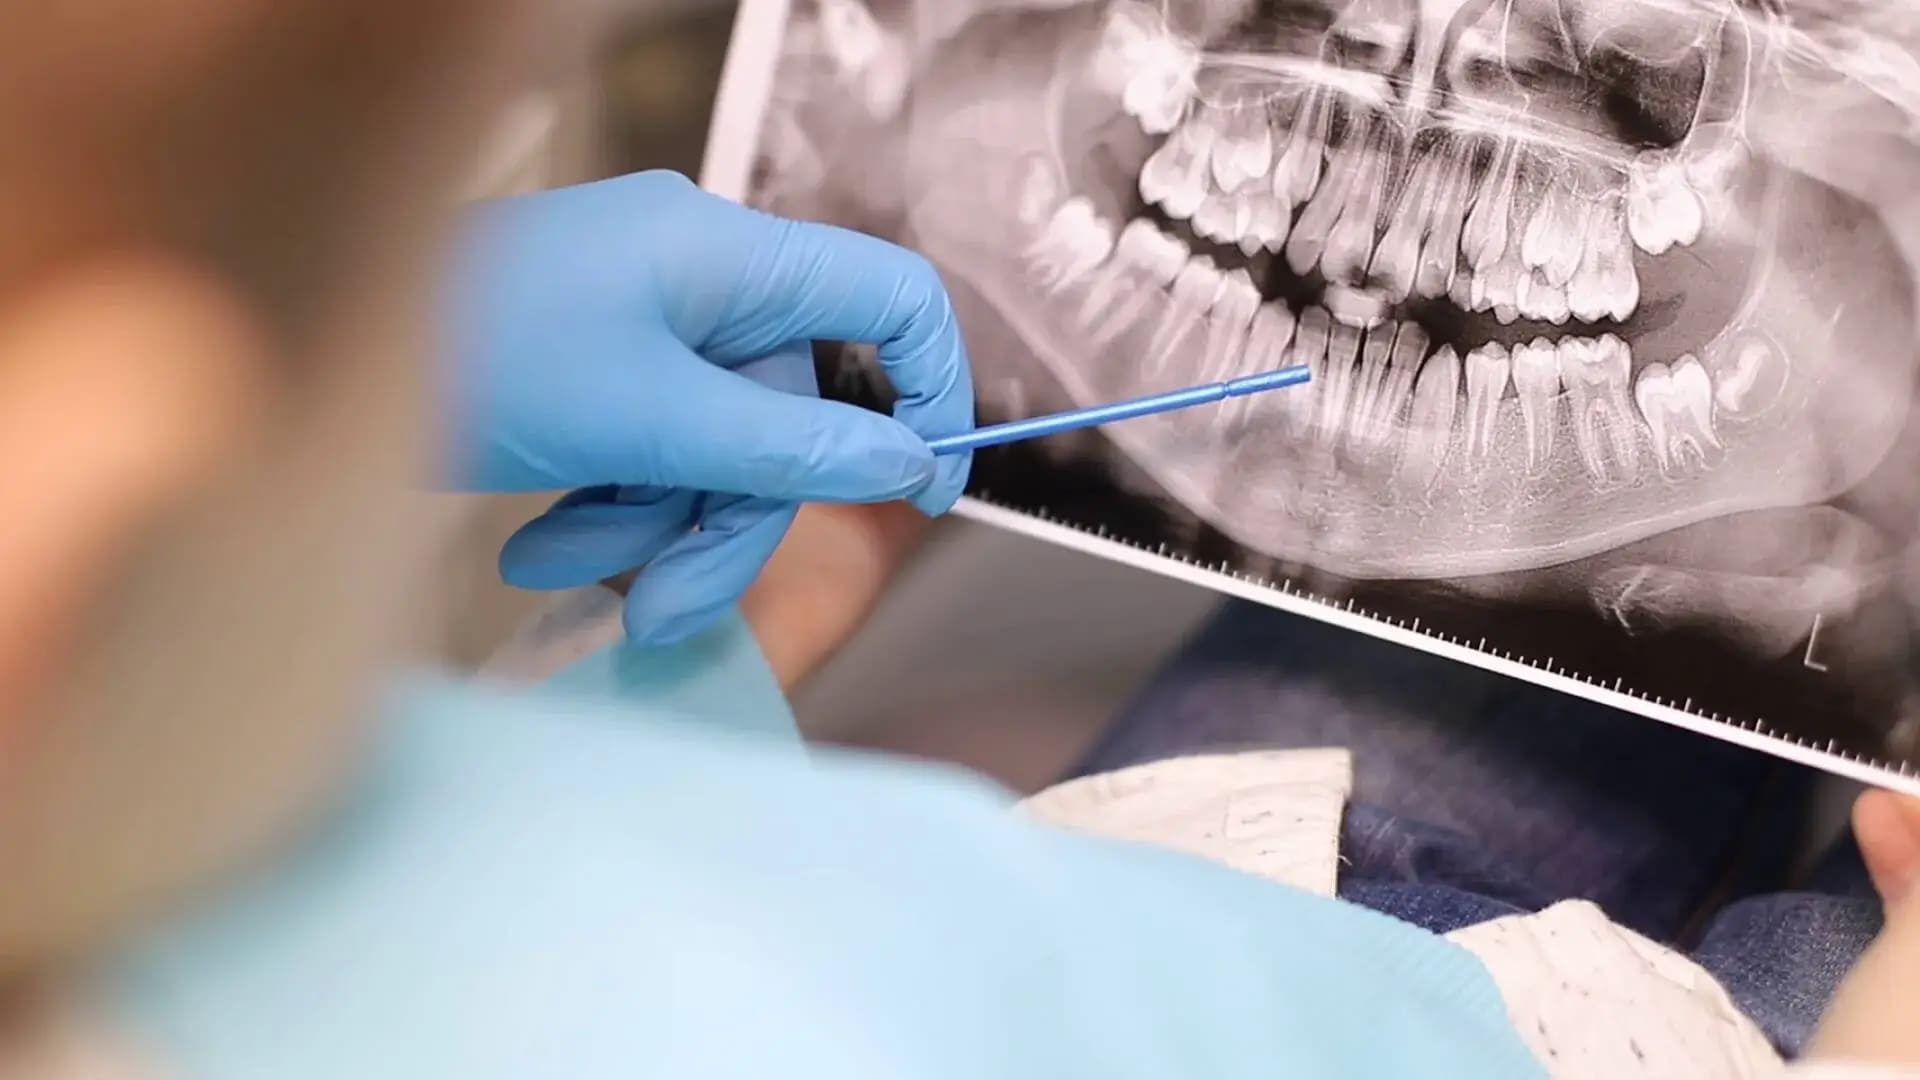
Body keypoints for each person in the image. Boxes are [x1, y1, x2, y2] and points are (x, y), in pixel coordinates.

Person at [0, 3, 1911, 1078]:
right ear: (97, 493)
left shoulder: (133, 836)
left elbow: (491, 849)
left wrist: (720, 650)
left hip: (1174, 900)